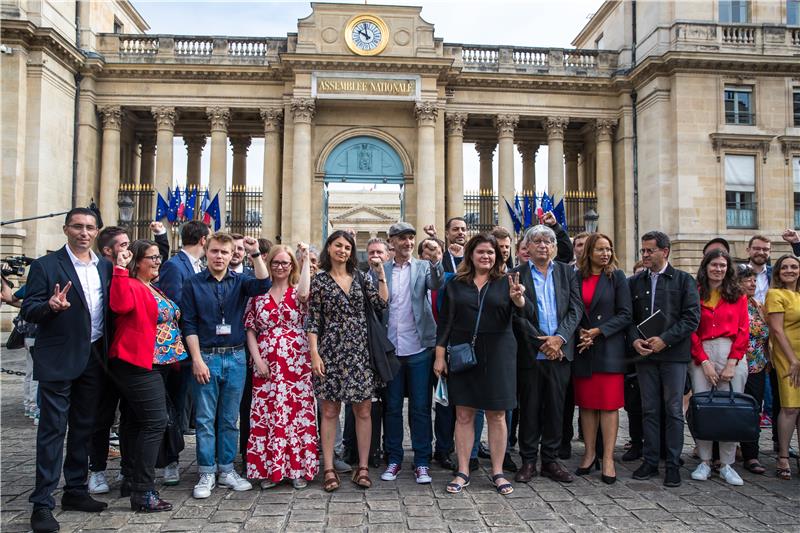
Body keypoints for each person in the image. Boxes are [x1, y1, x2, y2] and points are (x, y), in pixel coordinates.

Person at [21, 208, 112, 533]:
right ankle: (42, 504)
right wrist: (50, 306)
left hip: (94, 358)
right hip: (59, 358)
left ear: (97, 231)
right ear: (65, 229)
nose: (83, 232)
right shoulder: (46, 265)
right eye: (77, 226)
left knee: (84, 427)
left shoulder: (106, 266)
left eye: (89, 227)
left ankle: (75, 490)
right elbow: (28, 309)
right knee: (52, 431)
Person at [433, 232, 532, 495]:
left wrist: (518, 298)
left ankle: (498, 471)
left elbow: (527, 312)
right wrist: (440, 354)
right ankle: (463, 469)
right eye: (481, 252)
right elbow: (446, 321)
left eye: (491, 252)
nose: (486, 256)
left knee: (497, 415)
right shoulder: (455, 283)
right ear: (471, 255)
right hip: (465, 354)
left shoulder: (509, 282)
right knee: (464, 414)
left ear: (497, 256)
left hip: (500, 354)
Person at [181, 232, 271, 499]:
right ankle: (207, 471)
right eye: (214, 251)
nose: (219, 256)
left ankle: (227, 468)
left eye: (224, 252)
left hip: (235, 356)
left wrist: (255, 253)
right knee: (205, 419)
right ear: (206, 252)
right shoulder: (193, 283)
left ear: (233, 255)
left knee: (230, 418)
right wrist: (196, 359)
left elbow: (264, 283)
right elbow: (189, 323)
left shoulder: (241, 281)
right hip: (206, 355)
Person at [307, 230, 389, 492]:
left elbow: (381, 303)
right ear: (329, 248)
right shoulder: (319, 281)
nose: (343, 250)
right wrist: (314, 354)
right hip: (330, 352)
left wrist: (381, 275)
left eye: (347, 247)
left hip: (360, 353)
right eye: (338, 245)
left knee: (362, 409)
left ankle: (362, 467)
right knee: (330, 411)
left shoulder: (362, 278)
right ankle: (329, 467)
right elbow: (313, 320)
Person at [109, 240, 187, 511]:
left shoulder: (150, 286)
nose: (157, 261)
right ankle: (143, 491)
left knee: (134, 421)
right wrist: (119, 269)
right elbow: (119, 306)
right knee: (156, 422)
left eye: (158, 257)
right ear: (136, 262)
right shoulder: (129, 283)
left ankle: (131, 479)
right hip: (138, 364)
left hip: (155, 364)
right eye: (151, 258)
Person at [628, 231, 700, 488]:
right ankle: (649, 460)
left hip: (673, 356)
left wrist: (665, 339)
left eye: (650, 251)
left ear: (665, 251)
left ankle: (672, 463)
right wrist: (634, 339)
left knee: (672, 410)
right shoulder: (635, 282)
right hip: (645, 356)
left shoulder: (683, 280)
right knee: (649, 409)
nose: (645, 255)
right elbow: (628, 318)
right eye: (643, 251)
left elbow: (691, 318)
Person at [512, 224, 582, 485]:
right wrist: (542, 342)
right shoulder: (516, 273)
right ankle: (528, 460)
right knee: (529, 408)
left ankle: (551, 460)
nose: (543, 245)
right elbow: (516, 315)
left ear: (554, 247)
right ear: (527, 247)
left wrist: (559, 339)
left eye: (548, 241)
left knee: (556, 408)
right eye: (537, 241)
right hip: (532, 353)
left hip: (560, 353)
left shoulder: (566, 272)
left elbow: (575, 309)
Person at [245, 243, 317, 489]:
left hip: (296, 364)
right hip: (266, 362)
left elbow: (306, 294)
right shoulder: (257, 293)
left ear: (291, 266)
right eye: (276, 262)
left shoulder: (298, 292)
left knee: (296, 415)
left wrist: (306, 259)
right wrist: (258, 360)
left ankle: (297, 469)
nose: (280, 267)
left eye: (285, 263)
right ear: (268, 263)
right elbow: (250, 330)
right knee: (268, 415)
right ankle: (269, 470)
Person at [380, 222, 444, 485]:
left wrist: (437, 259)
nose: (407, 242)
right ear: (391, 242)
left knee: (420, 408)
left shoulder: (422, 267)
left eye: (410, 238)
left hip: (419, 347)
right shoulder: (380, 270)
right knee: (392, 407)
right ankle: (394, 458)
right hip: (391, 349)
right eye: (402, 238)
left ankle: (421, 461)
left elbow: (437, 282)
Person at [573, 233, 631, 484]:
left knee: (608, 405)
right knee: (587, 405)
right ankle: (589, 454)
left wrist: (598, 331)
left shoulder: (616, 277)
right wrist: (581, 334)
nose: (605, 254)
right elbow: (571, 309)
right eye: (600, 249)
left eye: (608, 249)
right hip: (583, 348)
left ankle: (607, 458)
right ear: (589, 252)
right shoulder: (575, 276)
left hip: (608, 347)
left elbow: (626, 313)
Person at [688, 250, 749, 486]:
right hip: (702, 352)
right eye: (714, 265)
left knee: (730, 409)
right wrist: (703, 361)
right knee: (704, 406)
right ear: (706, 267)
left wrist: (732, 362)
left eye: (723, 265)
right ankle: (704, 460)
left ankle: (727, 464)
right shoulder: (695, 292)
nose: (718, 269)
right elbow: (691, 328)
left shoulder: (737, 295)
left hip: (730, 351)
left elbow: (743, 330)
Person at [157, 220, 210, 446]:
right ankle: (171, 457)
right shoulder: (174, 266)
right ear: (203, 240)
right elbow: (174, 303)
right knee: (177, 400)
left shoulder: (198, 265)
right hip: (180, 345)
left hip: (197, 342)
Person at [765, 254, 800, 480]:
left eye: (795, 267)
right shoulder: (775, 294)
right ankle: (783, 456)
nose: (790, 270)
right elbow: (776, 330)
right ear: (778, 272)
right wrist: (793, 360)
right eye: (785, 267)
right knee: (790, 407)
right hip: (788, 355)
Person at [738, 267, 770, 475]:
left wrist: (767, 358)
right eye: (747, 280)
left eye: (753, 280)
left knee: (753, 410)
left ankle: (751, 454)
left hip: (757, 366)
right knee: (730, 408)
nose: (752, 284)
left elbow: (766, 334)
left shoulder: (758, 306)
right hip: (736, 364)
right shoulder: (733, 304)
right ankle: (721, 453)